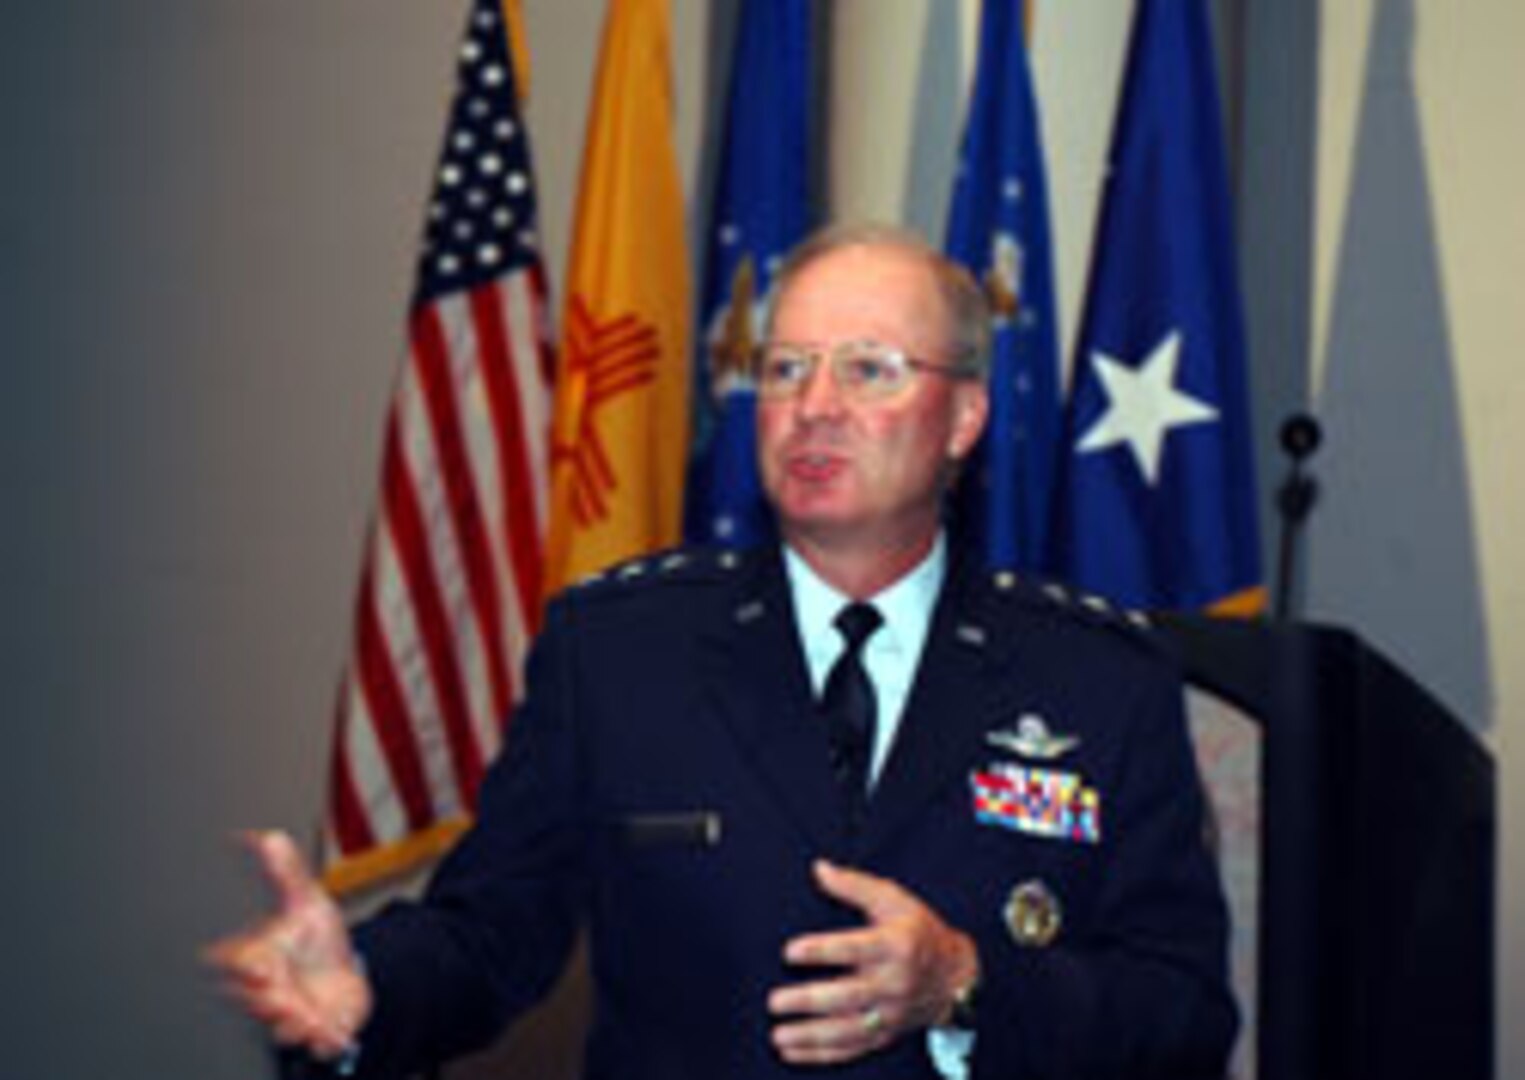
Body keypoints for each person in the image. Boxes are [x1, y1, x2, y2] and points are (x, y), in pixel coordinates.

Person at [209, 224, 1238, 1079]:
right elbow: (486, 939)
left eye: (868, 369)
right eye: (785, 367)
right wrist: (364, 990)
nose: (814, 405)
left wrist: (964, 982)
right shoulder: (617, 653)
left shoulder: (1098, 679)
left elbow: (1183, 1018)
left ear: (963, 416)